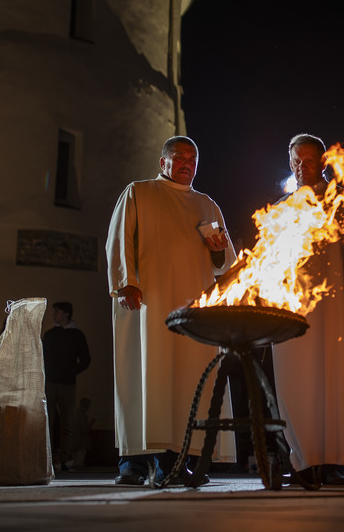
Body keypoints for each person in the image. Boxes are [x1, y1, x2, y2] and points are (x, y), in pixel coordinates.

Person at [106, 135, 237, 485]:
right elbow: (120, 240)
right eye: (179, 157)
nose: (187, 164)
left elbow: (227, 267)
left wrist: (216, 250)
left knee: (186, 382)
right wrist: (126, 282)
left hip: (193, 308)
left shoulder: (208, 204)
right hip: (148, 301)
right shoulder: (139, 192)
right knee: (144, 376)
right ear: (162, 162)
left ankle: (178, 459)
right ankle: (133, 462)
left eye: (193, 158)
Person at [272, 133, 344, 487]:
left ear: (323, 162)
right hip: (292, 315)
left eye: (308, 160)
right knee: (295, 388)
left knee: (336, 386)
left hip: (338, 311)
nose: (301, 167)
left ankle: (334, 461)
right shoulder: (279, 211)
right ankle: (302, 462)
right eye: (295, 161)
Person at [42, 302, 91, 471]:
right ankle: (47, 458)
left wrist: (71, 371)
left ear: (66, 314)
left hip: (67, 384)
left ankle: (65, 456)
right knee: (48, 420)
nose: (54, 314)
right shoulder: (49, 335)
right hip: (49, 382)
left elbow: (86, 359)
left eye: (57, 311)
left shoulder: (77, 335)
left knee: (67, 423)